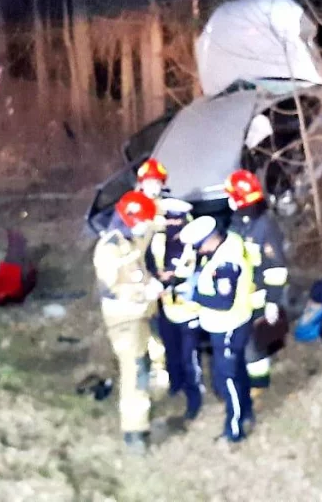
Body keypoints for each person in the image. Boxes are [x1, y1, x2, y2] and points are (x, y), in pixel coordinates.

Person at [92, 190, 164, 455]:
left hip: (141, 315)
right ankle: (134, 434)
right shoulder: (109, 248)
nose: (145, 226)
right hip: (123, 319)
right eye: (142, 221)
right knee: (135, 372)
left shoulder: (130, 238)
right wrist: (143, 292)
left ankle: (146, 416)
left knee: (150, 363)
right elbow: (112, 287)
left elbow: (152, 227)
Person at [179, 215, 256, 444]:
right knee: (238, 372)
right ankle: (247, 412)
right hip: (230, 323)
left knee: (228, 377)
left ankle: (234, 431)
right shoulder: (228, 242)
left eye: (199, 246)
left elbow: (224, 302)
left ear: (211, 239)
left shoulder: (226, 262)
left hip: (228, 325)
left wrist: (194, 295)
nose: (198, 251)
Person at [224, 169, 288, 404]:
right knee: (243, 342)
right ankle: (249, 377)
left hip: (258, 297)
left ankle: (260, 385)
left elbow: (276, 267)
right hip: (240, 297)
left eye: (231, 195)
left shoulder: (264, 226)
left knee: (254, 344)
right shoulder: (238, 222)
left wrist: (273, 300)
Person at [146, 197, 203, 420]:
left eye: (175, 221)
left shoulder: (193, 242)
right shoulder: (159, 239)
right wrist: (155, 277)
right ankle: (176, 385)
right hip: (167, 307)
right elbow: (150, 262)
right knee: (171, 350)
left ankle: (194, 397)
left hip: (189, 310)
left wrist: (172, 279)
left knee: (190, 357)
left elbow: (194, 272)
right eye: (168, 220)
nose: (172, 226)